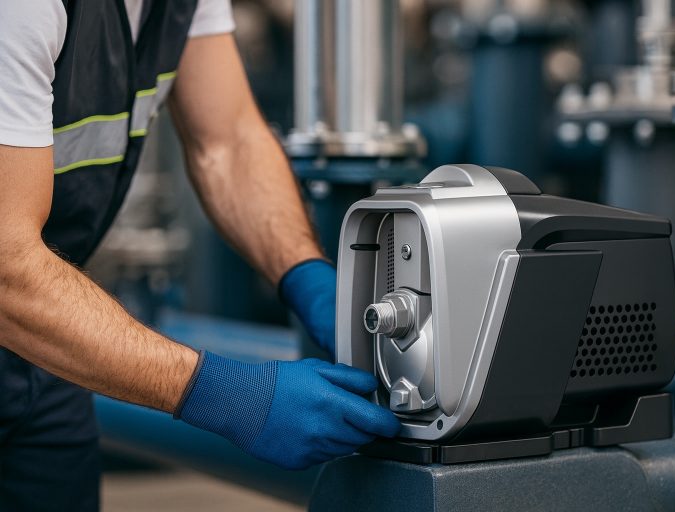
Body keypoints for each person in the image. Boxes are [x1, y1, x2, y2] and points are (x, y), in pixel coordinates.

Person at [0, 1, 400, 510]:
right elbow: (6, 268)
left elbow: (228, 142)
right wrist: (225, 392)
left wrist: (306, 274)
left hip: (38, 355)